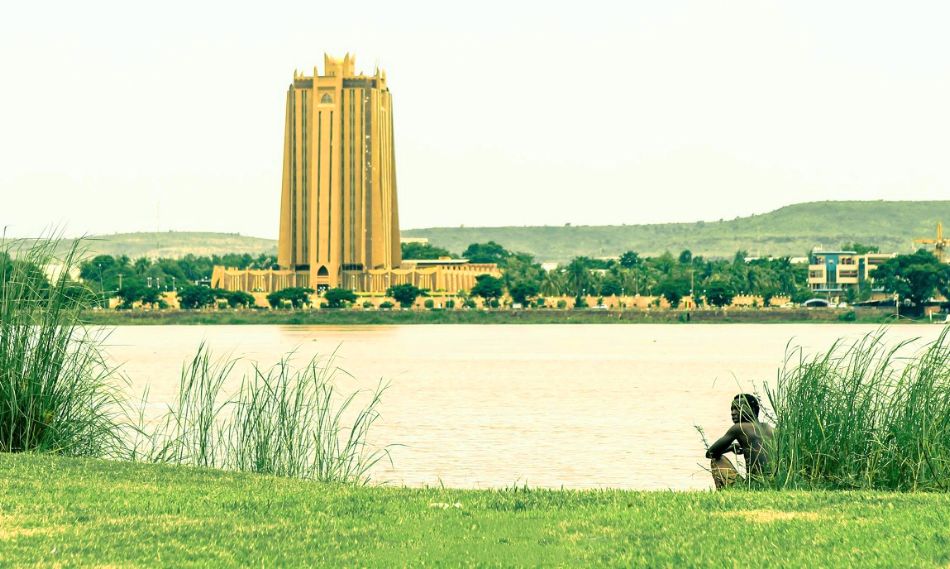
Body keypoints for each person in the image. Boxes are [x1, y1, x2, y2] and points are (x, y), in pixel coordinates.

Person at [705, 393, 774, 490]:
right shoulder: (768, 428)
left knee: (716, 459)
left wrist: (730, 448)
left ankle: (723, 494)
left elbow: (710, 453)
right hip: (774, 483)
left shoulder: (739, 427)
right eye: (732, 409)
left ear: (753, 410)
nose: (733, 413)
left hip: (754, 486)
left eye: (738, 408)